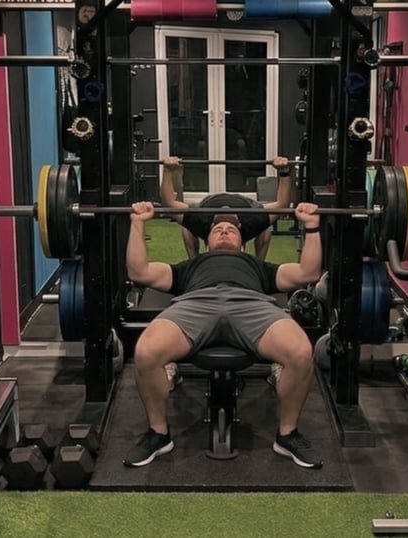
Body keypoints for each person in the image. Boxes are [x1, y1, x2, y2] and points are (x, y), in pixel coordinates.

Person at [124, 201, 323, 469]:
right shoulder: (190, 266)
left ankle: (288, 435)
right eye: (218, 230)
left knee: (300, 352)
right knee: (146, 351)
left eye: (231, 229)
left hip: (251, 304)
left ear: (242, 245)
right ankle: (158, 434)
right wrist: (138, 223)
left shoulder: (256, 266)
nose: (225, 231)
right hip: (196, 303)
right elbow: (139, 272)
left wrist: (312, 227)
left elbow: (308, 273)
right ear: (206, 244)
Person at [159, 156, 294, 260]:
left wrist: (167, 171)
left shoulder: (201, 220)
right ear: (241, 243)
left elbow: (168, 203)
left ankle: (194, 264)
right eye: (230, 231)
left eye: (219, 231)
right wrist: (284, 172)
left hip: (207, 203)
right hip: (247, 204)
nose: (224, 232)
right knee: (265, 228)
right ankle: (259, 266)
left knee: (187, 227)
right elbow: (282, 205)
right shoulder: (252, 220)